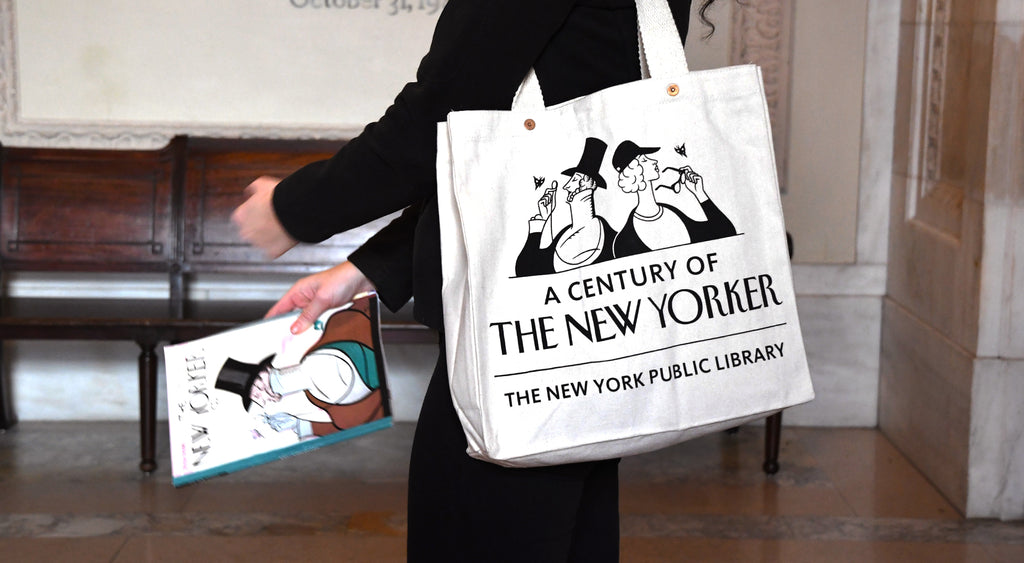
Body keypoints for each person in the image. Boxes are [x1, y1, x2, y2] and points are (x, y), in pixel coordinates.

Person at [232, 1, 718, 560]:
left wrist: (292, 211)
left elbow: (440, 118)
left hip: (517, 348)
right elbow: (518, 153)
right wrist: (367, 268)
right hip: (584, 330)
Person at [611, 140, 737, 258]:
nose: (654, 161)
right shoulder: (623, 242)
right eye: (644, 160)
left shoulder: (673, 213)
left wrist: (700, 193)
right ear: (633, 172)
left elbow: (727, 234)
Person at [516, 137, 617, 277]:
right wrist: (542, 221)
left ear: (586, 185)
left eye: (574, 179)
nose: (566, 186)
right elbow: (525, 271)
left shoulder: (614, 240)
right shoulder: (562, 237)